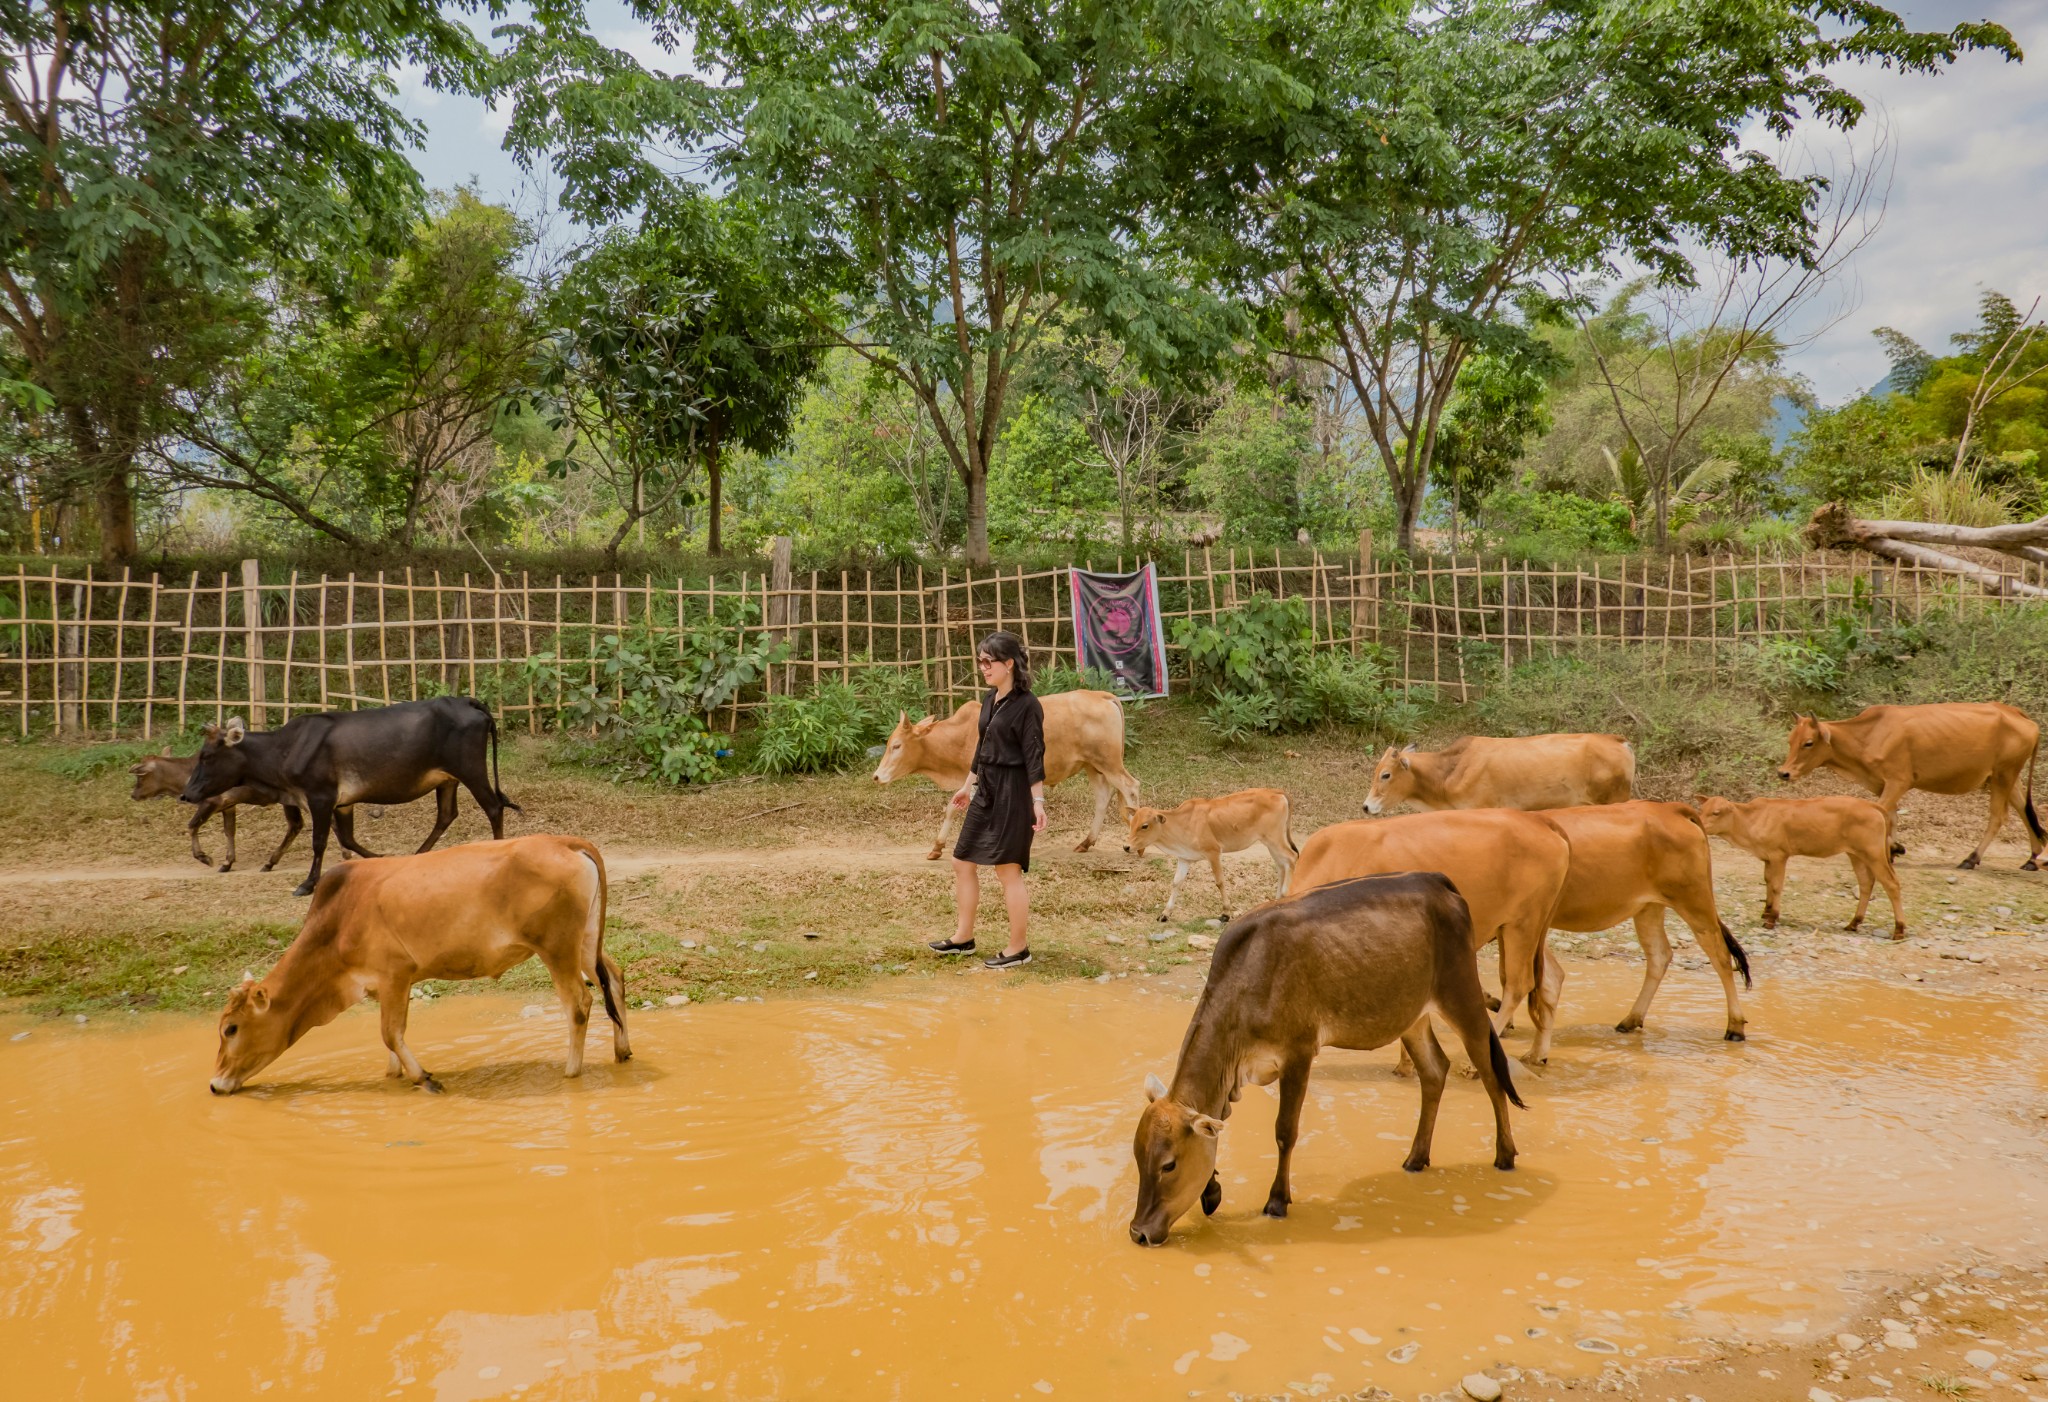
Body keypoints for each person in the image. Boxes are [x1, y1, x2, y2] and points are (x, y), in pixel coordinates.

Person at [928, 631, 1046, 969]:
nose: (983, 667)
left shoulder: (1028, 705)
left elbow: (1034, 755)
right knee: (962, 860)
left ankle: (1018, 948)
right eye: (980, 661)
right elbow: (984, 747)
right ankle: (963, 937)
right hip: (987, 788)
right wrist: (968, 785)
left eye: (988, 661)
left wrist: (1038, 802)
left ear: (1008, 664)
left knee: (1007, 870)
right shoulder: (990, 699)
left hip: (1014, 790)